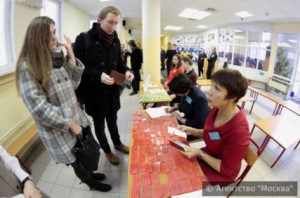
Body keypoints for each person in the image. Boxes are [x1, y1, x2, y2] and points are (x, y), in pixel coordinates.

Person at [16, 16, 111, 192]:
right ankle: (91, 182)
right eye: (49, 34)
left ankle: (91, 173)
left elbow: (72, 84)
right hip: (60, 127)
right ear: (37, 37)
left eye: (54, 32)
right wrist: (69, 123)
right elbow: (39, 109)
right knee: (76, 160)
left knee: (87, 151)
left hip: (76, 118)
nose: (54, 38)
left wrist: (71, 52)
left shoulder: (54, 57)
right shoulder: (27, 67)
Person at [73, 6, 134, 165]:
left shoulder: (115, 39)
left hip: (112, 92)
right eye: (110, 22)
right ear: (100, 20)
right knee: (99, 125)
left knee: (113, 121)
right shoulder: (84, 39)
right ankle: (107, 151)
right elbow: (77, 68)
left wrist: (127, 72)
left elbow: (119, 64)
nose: (112, 27)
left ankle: (118, 143)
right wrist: (98, 75)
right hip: (94, 93)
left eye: (116, 23)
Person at [178, 69, 250, 186]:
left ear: (233, 97)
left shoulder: (239, 130)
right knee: (178, 167)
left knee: (184, 184)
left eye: (217, 89)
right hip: (209, 156)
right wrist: (192, 130)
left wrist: (200, 153)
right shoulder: (217, 109)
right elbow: (212, 133)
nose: (209, 92)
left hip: (221, 173)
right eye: (212, 86)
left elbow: (227, 170)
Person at [166, 73, 209, 141]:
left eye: (176, 93)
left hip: (194, 129)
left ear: (181, 90)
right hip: (186, 121)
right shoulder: (187, 91)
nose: (175, 94)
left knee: (170, 137)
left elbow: (198, 124)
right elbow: (184, 104)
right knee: (166, 124)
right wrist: (173, 108)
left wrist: (180, 118)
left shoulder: (200, 99)